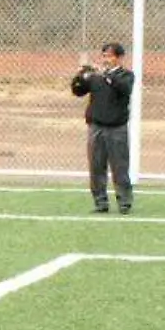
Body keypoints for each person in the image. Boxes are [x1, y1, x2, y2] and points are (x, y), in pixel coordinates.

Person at [70, 42, 136, 213]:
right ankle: (100, 202)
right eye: (104, 56)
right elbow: (78, 91)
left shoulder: (126, 75)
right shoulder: (96, 77)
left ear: (119, 58)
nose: (106, 59)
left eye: (110, 56)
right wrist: (80, 76)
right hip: (96, 127)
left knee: (119, 166)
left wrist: (106, 75)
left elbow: (124, 88)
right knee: (96, 166)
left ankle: (124, 202)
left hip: (117, 128)